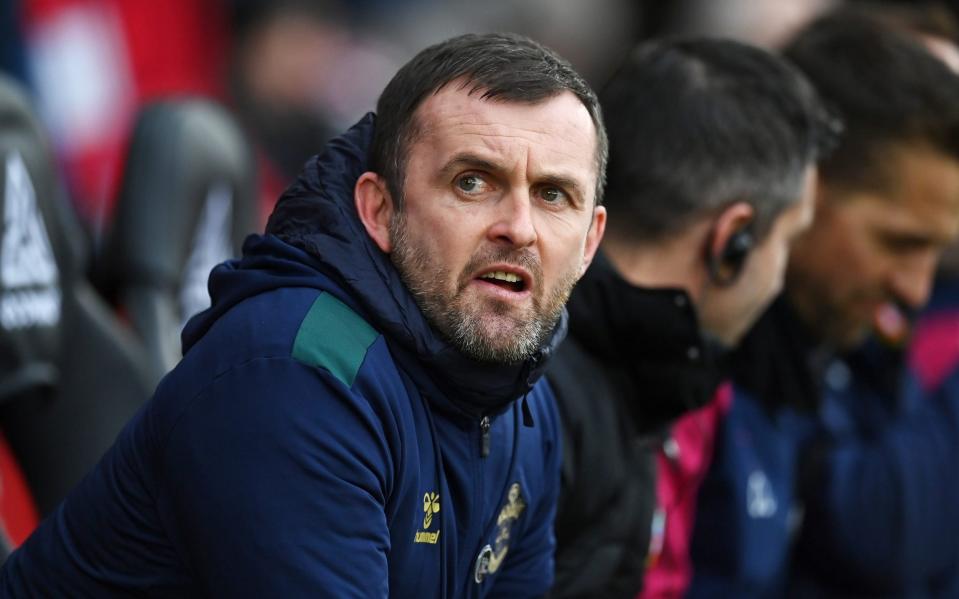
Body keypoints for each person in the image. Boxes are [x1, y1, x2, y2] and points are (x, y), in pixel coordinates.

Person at [0, 32, 608, 597]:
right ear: (378, 210)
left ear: (588, 243)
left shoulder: (526, 401)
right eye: (473, 182)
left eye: (553, 195)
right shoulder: (296, 375)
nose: (519, 228)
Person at [546, 37, 836, 598]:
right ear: (732, 240)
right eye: (788, 243)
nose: (781, 280)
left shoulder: (653, 374)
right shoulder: (545, 397)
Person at [689, 12, 959, 597]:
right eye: (899, 243)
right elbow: (885, 533)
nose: (916, 289)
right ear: (805, 189)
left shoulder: (839, 342)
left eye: (934, 253)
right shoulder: (687, 370)